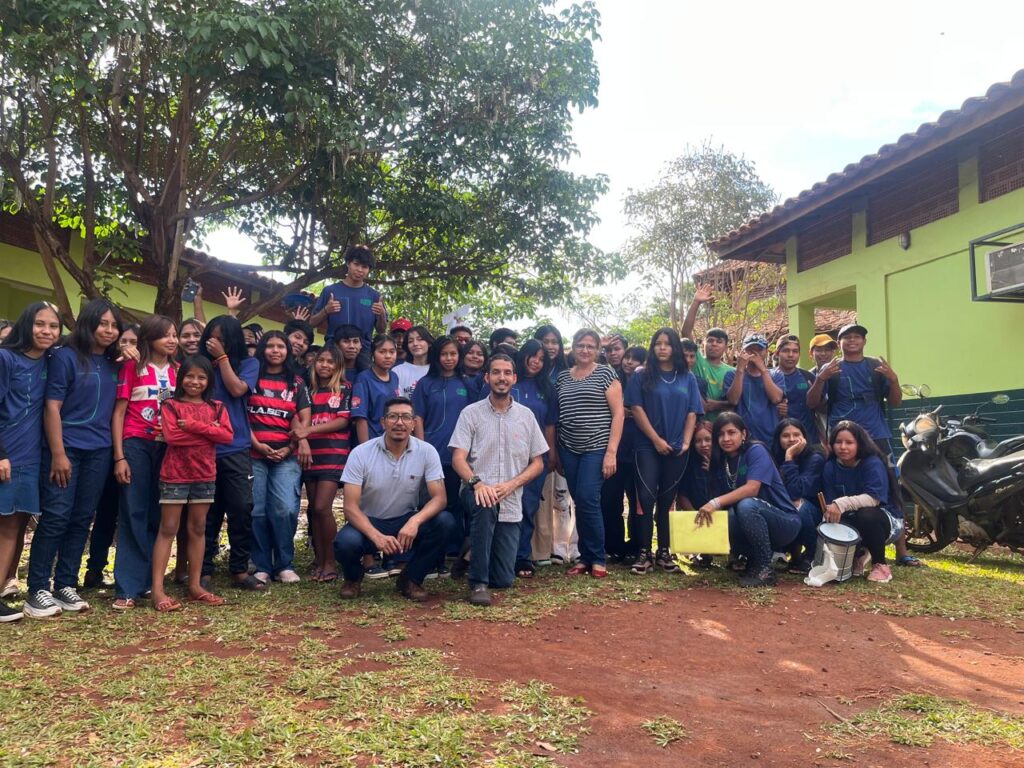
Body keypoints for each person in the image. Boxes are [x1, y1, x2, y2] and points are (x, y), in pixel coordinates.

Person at [24, 299, 122, 618]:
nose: (108, 330)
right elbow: (51, 406)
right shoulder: (65, 357)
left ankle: (66, 583)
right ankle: (38, 587)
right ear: (88, 323)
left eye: (113, 325)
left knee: (82, 518)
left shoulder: (113, 361)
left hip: (100, 450)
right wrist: (58, 453)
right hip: (66, 449)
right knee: (56, 516)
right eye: (102, 323)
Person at [451, 354, 548, 606]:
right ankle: (478, 583)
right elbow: (458, 459)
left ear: (514, 379)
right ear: (487, 377)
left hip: (511, 499)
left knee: (504, 579)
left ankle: (471, 552)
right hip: (474, 491)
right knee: (486, 503)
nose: (501, 377)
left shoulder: (526, 416)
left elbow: (538, 462)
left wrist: (512, 484)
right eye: (496, 372)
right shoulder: (470, 413)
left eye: (507, 373)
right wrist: (477, 484)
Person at [334, 397, 454, 601]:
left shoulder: (427, 452)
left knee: (445, 522)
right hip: (368, 521)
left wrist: (414, 522)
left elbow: (439, 498)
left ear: (414, 423)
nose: (400, 422)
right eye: (393, 417)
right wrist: (376, 536)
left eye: (406, 417)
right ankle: (353, 579)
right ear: (383, 422)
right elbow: (350, 508)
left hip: (405, 521)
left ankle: (412, 579)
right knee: (345, 542)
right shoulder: (360, 453)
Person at [150, 356, 233, 611]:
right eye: (190, 376)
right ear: (181, 378)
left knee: (198, 529)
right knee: (168, 528)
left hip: (205, 474)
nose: (195, 382)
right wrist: (209, 431)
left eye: (201, 377)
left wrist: (195, 426)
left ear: (209, 381)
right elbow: (173, 437)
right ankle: (157, 591)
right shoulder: (171, 405)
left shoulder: (217, 406)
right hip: (175, 473)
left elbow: (228, 436)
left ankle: (195, 586)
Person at [0, 303, 62, 623]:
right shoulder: (6, 358)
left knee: (15, 527)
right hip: (7, 457)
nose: (47, 331)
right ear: (27, 323)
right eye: (40, 324)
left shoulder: (53, 361)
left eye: (53, 326)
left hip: (31, 459)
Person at [111, 315, 178, 610]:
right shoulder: (133, 367)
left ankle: (153, 582)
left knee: (157, 516)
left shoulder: (179, 370)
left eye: (175, 335)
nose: (173, 340)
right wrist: (120, 456)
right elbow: (119, 413)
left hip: (167, 449)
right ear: (150, 338)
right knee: (133, 513)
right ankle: (127, 587)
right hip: (136, 445)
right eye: (166, 335)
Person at [625, 328, 704, 574]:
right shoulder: (641, 375)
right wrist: (656, 439)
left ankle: (664, 552)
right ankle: (644, 552)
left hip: (678, 448)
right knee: (646, 499)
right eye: (657, 343)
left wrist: (687, 442)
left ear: (675, 349)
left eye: (667, 344)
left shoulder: (687, 377)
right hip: (647, 446)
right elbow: (636, 409)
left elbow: (693, 411)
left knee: (667, 500)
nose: (662, 348)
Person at [198, 316, 264, 592]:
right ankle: (203, 571)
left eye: (223, 339)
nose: (215, 343)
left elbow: (237, 390)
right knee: (207, 512)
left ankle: (239, 569)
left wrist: (222, 358)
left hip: (236, 446)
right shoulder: (199, 365)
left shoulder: (249, 364)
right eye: (212, 338)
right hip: (204, 446)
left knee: (241, 508)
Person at [699, 412, 801, 588]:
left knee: (746, 505)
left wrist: (714, 503)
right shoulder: (721, 461)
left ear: (744, 434)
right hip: (754, 518)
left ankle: (765, 569)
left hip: (785, 522)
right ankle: (753, 562)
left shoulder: (756, 450)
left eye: (732, 432)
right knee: (730, 515)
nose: (726, 438)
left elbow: (752, 488)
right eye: (721, 434)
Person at [555, 329, 624, 578]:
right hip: (569, 448)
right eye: (580, 345)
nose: (585, 350)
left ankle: (597, 557)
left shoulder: (606, 373)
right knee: (579, 501)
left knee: (588, 498)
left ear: (597, 350)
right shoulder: (563, 377)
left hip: (596, 448)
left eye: (590, 346)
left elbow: (618, 414)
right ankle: (585, 556)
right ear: (572, 348)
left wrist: (611, 452)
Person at [248, 331, 311, 584]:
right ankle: (262, 565)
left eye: (281, 346)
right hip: (254, 454)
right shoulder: (252, 378)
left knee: (284, 509)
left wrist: (289, 446)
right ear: (262, 349)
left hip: (287, 455)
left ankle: (284, 564)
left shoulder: (296, 383)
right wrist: (258, 445)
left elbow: (304, 420)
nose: (275, 351)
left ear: (288, 351)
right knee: (257, 510)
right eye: (270, 346)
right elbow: (242, 416)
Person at [82, 323, 140, 589]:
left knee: (124, 512)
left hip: (132, 449)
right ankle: (93, 569)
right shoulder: (106, 365)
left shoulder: (142, 370)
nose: (128, 346)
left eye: (134, 341)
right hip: (102, 447)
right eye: (124, 340)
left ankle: (126, 572)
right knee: (98, 511)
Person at [412, 336, 473, 574]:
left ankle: (452, 555)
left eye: (453, 354)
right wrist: (421, 448)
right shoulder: (425, 384)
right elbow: (418, 417)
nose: (449, 359)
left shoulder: (466, 383)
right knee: (432, 505)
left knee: (456, 507)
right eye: (444, 354)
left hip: (460, 456)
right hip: (433, 454)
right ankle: (431, 559)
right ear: (437, 356)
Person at [294, 345, 351, 582]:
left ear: (338, 366)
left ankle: (331, 562)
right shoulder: (307, 390)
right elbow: (295, 416)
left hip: (334, 453)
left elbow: (341, 421)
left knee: (321, 507)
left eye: (330, 362)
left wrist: (307, 431)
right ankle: (319, 559)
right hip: (309, 454)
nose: (325, 365)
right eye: (321, 361)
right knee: (313, 512)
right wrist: (304, 437)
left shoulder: (345, 389)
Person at [822, 420, 904, 584]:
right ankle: (856, 557)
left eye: (849, 442)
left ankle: (880, 565)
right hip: (850, 519)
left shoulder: (872, 463)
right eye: (838, 442)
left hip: (885, 521)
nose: (843, 447)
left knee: (867, 515)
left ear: (860, 444)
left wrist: (841, 504)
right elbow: (830, 504)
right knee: (831, 520)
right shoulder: (830, 466)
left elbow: (874, 498)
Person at [503, 340, 558, 577]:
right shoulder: (507, 382)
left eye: (541, 359)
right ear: (522, 356)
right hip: (504, 454)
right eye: (532, 356)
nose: (536, 362)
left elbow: (550, 424)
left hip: (535, 457)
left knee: (528, 506)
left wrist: (551, 453)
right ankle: (502, 555)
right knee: (504, 506)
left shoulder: (546, 388)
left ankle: (522, 556)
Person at [531, 325, 577, 565]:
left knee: (562, 497)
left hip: (564, 440)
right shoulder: (533, 374)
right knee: (540, 499)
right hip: (536, 444)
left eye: (554, 341)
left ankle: (563, 546)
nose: (550, 346)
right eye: (545, 341)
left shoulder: (566, 373)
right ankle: (543, 546)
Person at [769, 418, 826, 573]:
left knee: (797, 503)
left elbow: (797, 491)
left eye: (796, 434)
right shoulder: (773, 457)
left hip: (815, 513)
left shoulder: (815, 457)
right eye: (785, 435)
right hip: (784, 510)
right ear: (778, 439)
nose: (792, 439)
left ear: (804, 437)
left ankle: (813, 554)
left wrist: (789, 459)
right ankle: (789, 554)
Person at [309, 244, 387, 352]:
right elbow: (311, 323)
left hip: (363, 351)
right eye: (356, 264)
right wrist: (326, 310)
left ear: (369, 270)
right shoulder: (330, 291)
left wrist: (382, 314)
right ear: (348, 263)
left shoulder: (374, 296)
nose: (360, 270)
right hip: (333, 349)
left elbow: (381, 330)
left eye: (364, 267)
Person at [723, 333, 785, 444]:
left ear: (766, 352)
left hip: (770, 436)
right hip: (743, 437)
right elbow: (733, 400)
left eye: (759, 350)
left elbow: (776, 399)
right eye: (750, 350)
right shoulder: (732, 375)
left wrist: (763, 370)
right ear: (743, 352)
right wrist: (740, 369)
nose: (754, 354)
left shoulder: (776, 374)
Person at [681, 284, 734, 413]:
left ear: (726, 346)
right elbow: (686, 332)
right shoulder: (696, 359)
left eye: (719, 341)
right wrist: (696, 302)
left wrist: (716, 405)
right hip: (695, 424)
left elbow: (735, 401)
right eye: (710, 340)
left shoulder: (733, 372)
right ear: (703, 343)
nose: (714, 344)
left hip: (721, 426)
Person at [351, 335, 400, 444]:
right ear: (373, 354)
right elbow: (360, 418)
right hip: (372, 441)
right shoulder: (363, 379)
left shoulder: (395, 377)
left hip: (391, 441)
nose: (388, 356)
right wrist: (365, 449)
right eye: (382, 352)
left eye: (392, 352)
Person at [771, 334, 818, 444]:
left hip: (808, 439)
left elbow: (819, 408)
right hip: (780, 440)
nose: (790, 355)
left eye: (795, 351)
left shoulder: (808, 377)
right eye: (786, 351)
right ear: (777, 353)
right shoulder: (769, 378)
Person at [393, 325, 433, 398]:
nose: (415, 344)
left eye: (420, 339)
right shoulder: (398, 371)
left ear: (429, 343)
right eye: (410, 341)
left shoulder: (437, 369)